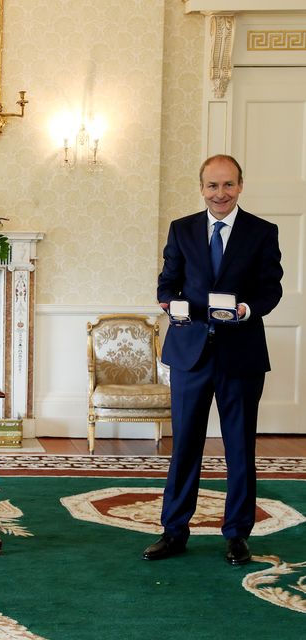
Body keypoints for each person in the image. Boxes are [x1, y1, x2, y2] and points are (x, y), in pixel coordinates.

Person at [143, 155, 283, 566]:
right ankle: (174, 531)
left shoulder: (262, 232)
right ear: (201, 188)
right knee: (185, 445)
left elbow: (270, 290)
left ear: (240, 185)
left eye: (227, 185)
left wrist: (245, 311)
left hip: (241, 355)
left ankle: (238, 535)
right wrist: (170, 305)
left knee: (240, 447)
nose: (220, 194)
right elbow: (167, 283)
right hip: (190, 353)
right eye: (212, 186)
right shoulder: (181, 229)